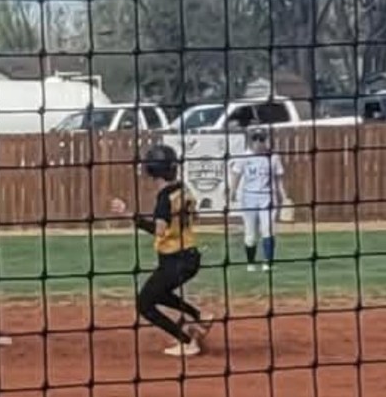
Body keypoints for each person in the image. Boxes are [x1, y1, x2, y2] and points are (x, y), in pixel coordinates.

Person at [111, 143, 213, 358]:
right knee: (158, 293)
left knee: (144, 304)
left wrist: (128, 215)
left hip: (175, 260)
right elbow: (194, 217)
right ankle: (200, 316)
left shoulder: (164, 198)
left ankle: (187, 342)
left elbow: (159, 230)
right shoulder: (183, 189)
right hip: (190, 256)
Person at [227, 128, 285, 272]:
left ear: (266, 140)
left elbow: (279, 179)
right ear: (251, 141)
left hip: (268, 196)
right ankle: (251, 263)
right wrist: (232, 192)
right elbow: (236, 174)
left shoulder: (273, 157)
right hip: (249, 197)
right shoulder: (244, 156)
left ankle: (267, 263)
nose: (258, 142)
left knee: (268, 229)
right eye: (255, 139)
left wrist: (283, 195)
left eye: (261, 139)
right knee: (250, 233)